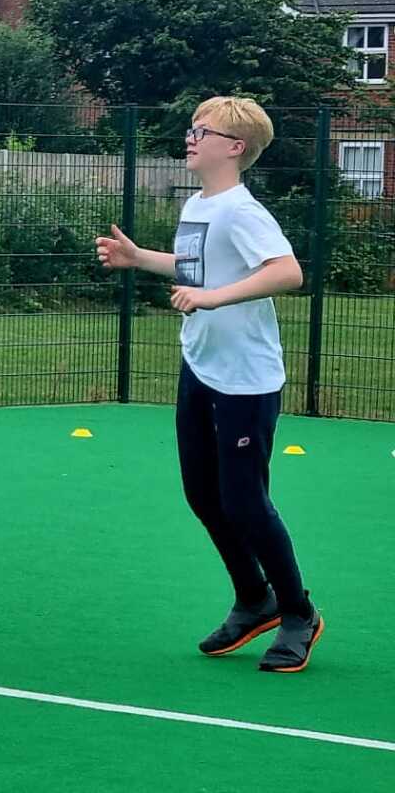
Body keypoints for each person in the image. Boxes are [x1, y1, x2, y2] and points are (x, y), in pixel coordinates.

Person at [96, 95, 320, 673]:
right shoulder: (200, 204)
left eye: (203, 130)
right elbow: (197, 268)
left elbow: (287, 271)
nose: (190, 137)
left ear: (235, 147)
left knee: (246, 501)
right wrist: (139, 257)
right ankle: (254, 600)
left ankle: (297, 612)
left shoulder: (243, 210)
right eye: (192, 128)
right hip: (199, 367)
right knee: (203, 494)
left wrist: (213, 299)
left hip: (246, 379)